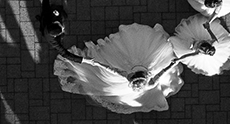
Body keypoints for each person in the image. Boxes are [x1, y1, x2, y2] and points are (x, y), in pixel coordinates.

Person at [53, 22, 186, 113]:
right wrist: (174, 62)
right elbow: (163, 70)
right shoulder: (151, 82)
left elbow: (109, 69)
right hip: (145, 62)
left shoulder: (126, 75)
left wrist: (95, 63)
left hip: (132, 65)